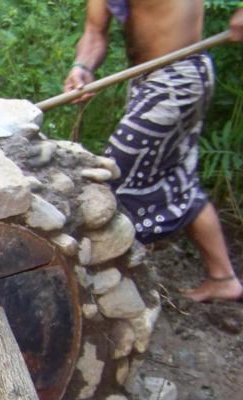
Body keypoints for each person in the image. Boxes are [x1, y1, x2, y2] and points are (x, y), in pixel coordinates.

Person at [63, 0, 243, 302]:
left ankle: (98, 288)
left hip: (180, 77)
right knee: (178, 177)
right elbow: (95, 32)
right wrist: (82, 67)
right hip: (145, 78)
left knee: (112, 177)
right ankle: (223, 278)